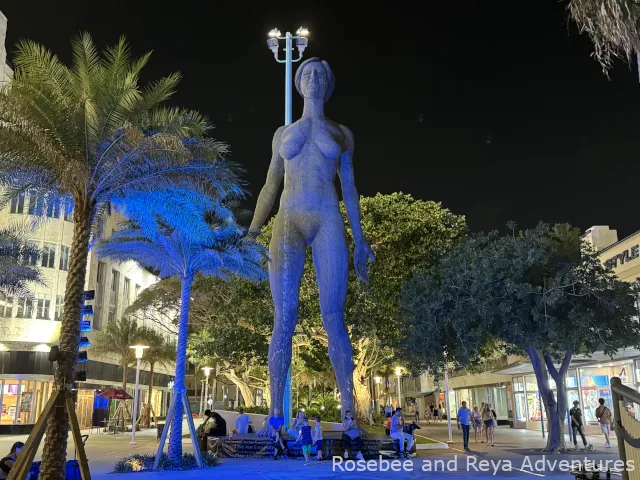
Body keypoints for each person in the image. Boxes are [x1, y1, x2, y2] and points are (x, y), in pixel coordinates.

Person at [249, 57, 375, 421]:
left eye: (319, 73)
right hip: (287, 220)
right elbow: (270, 184)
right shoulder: (282, 134)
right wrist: (253, 231)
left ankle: (350, 412)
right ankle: (275, 414)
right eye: (306, 73)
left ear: (328, 83)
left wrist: (361, 239)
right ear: (299, 83)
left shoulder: (342, 134)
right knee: (283, 317)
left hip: (327, 217)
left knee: (333, 315)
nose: (313, 77)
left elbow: (349, 187)